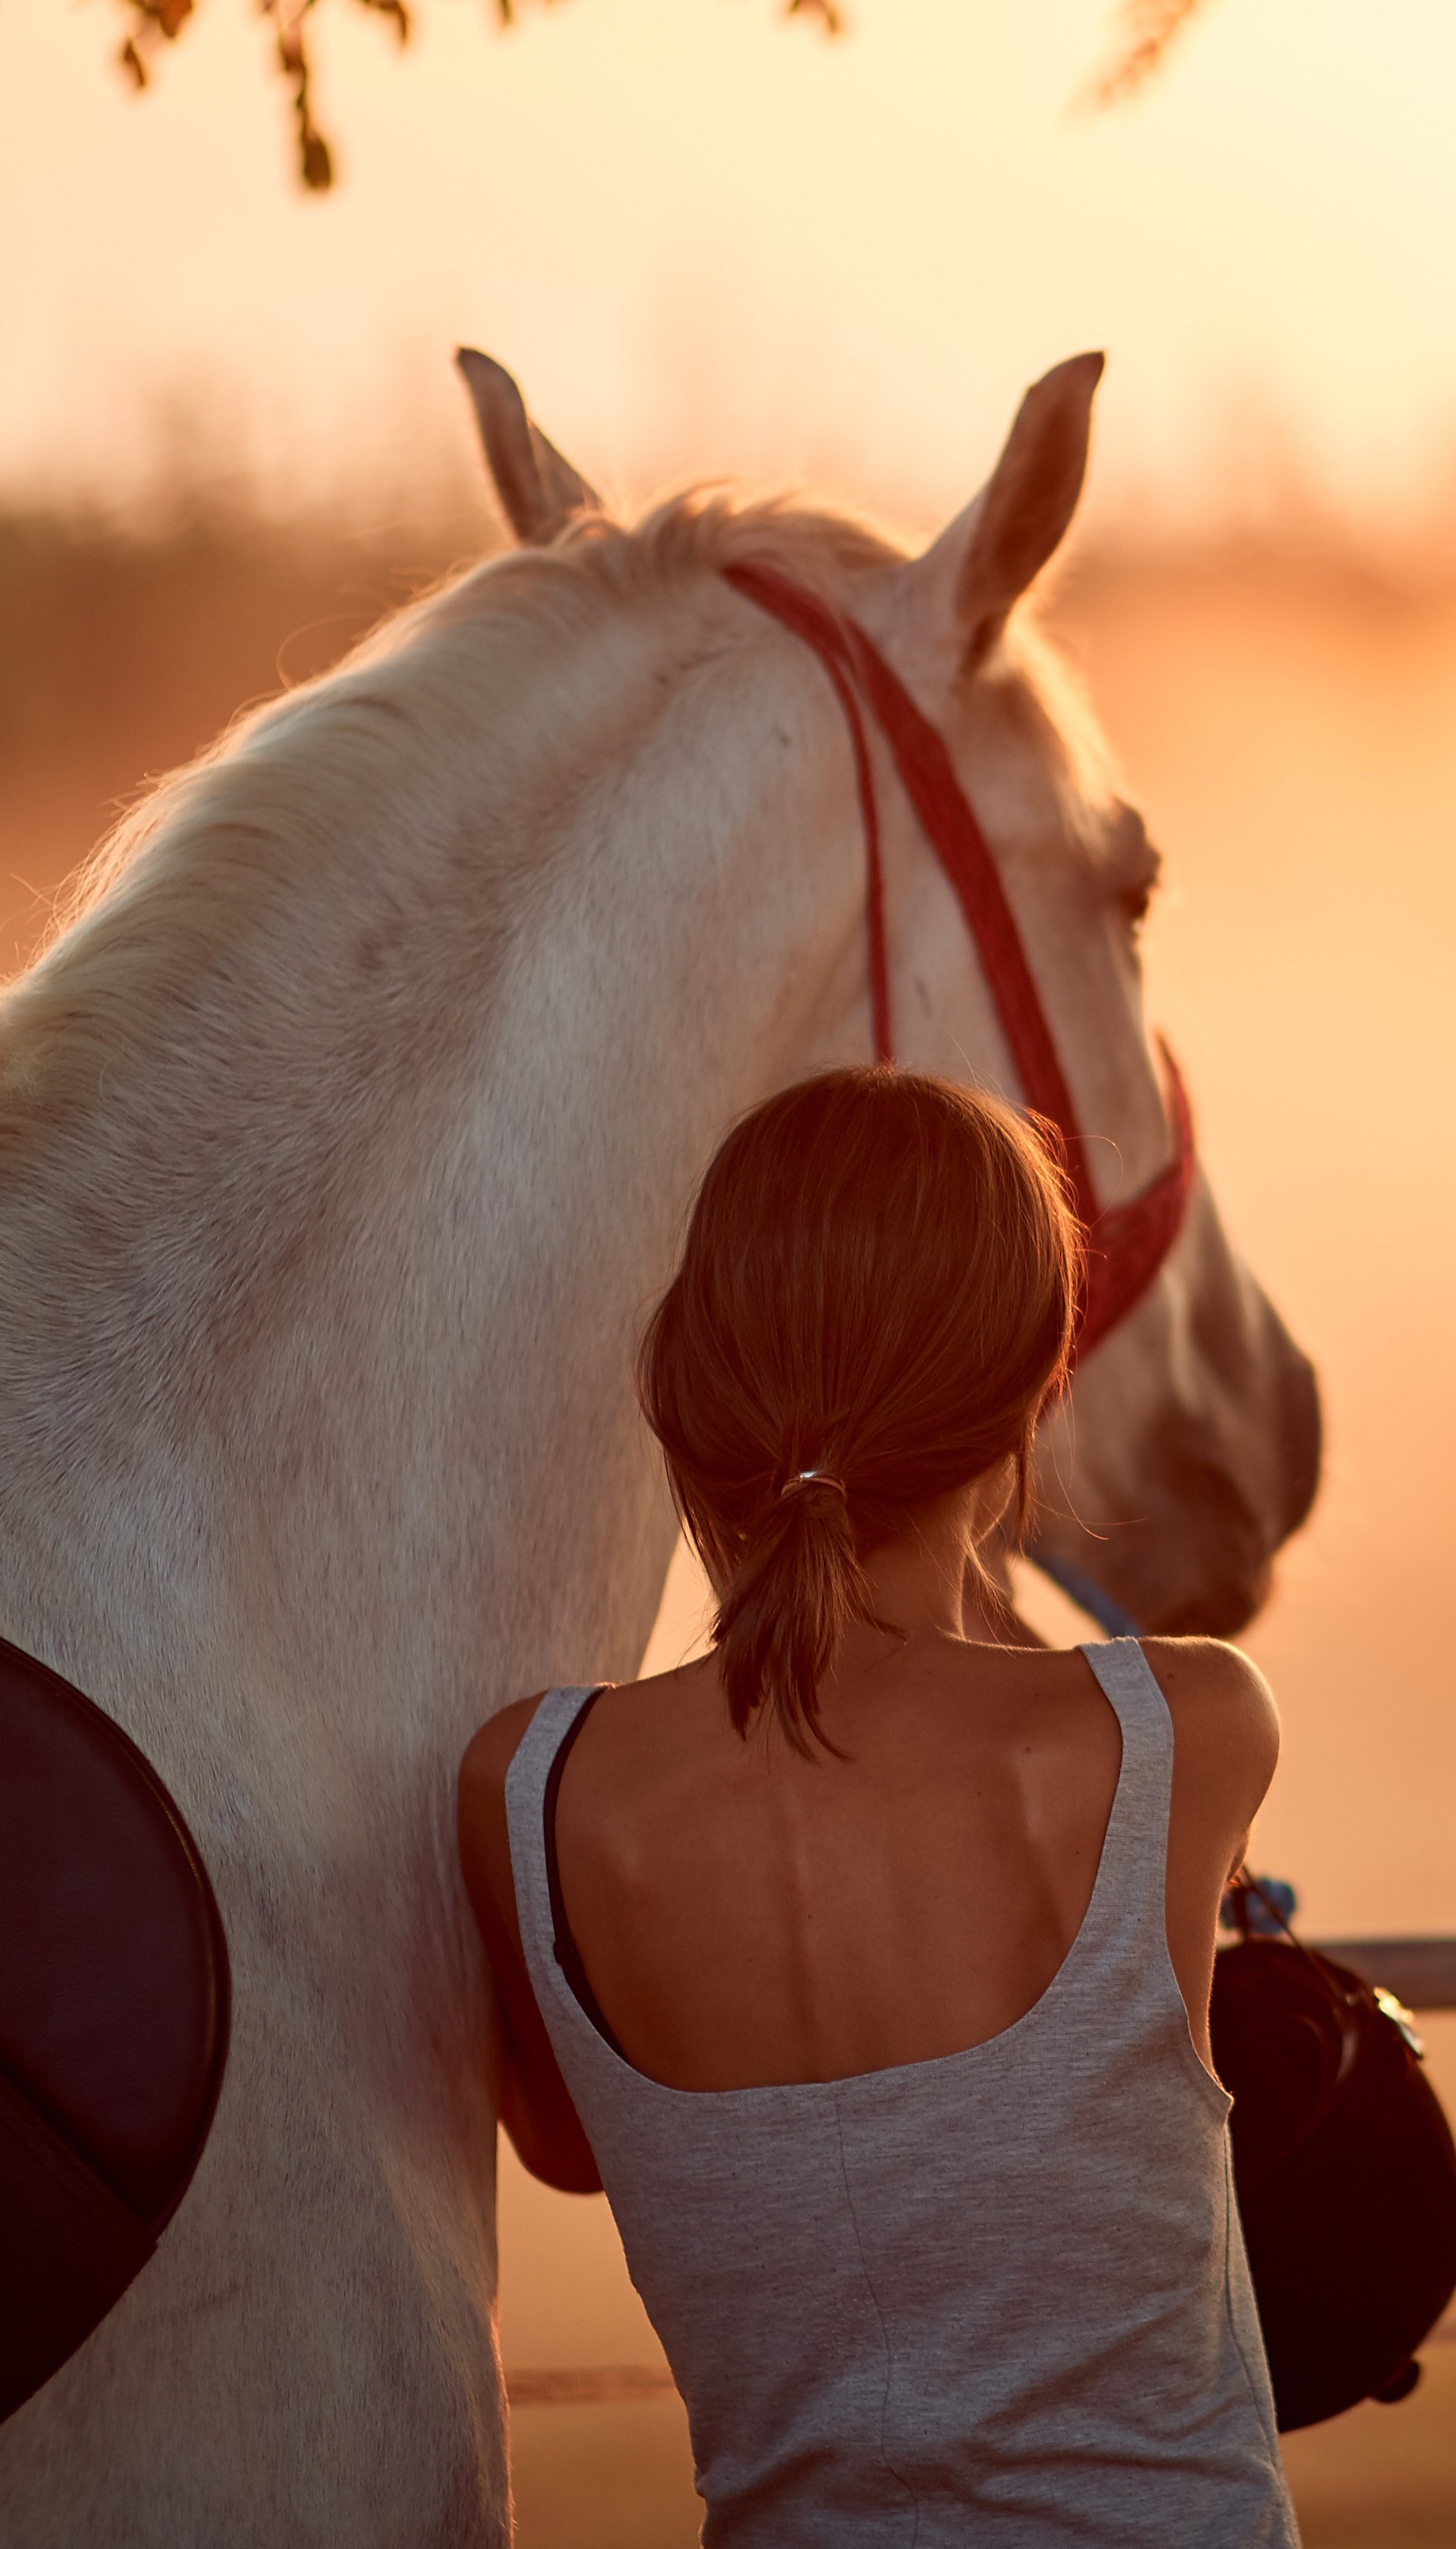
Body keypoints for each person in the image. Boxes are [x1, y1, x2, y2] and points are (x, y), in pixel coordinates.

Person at [459, 1066, 1296, 2546]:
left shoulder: (531, 1795)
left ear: (691, 1383)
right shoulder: (1178, 1732)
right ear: (1034, 1381)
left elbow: (577, 2150)